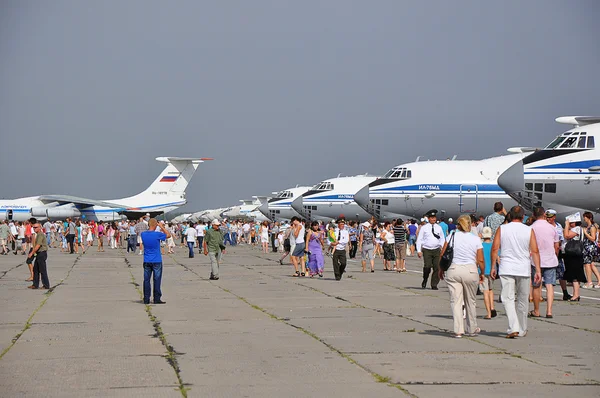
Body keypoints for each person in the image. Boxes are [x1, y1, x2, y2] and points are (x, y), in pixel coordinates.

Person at [491, 206, 541, 338]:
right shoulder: (529, 230)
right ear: (523, 216)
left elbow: (495, 248)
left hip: (506, 267)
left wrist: (492, 267)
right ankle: (522, 328)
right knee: (523, 299)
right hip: (523, 268)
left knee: (507, 298)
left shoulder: (502, 229)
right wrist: (538, 270)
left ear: (510, 216)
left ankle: (513, 326)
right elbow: (535, 251)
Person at [438, 215, 484, 338]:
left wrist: (441, 269)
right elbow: (480, 259)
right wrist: (482, 273)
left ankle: (458, 330)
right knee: (471, 301)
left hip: (453, 269)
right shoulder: (475, 239)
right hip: (470, 270)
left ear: (458, 225)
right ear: (470, 224)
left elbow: (443, 254)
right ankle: (472, 328)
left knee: (456, 301)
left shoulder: (451, 236)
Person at [529, 207, 559, 318]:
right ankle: (549, 311)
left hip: (536, 261)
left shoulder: (531, 228)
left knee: (536, 286)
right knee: (549, 285)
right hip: (550, 259)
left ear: (533, 215)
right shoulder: (552, 228)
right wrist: (555, 255)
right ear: (544, 215)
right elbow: (556, 245)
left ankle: (536, 310)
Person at [140, 219, 170, 304]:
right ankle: (156, 298)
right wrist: (161, 227)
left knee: (146, 280)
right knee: (156, 280)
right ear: (155, 225)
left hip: (147, 259)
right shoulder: (157, 234)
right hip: (156, 260)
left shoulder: (143, 234)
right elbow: (168, 235)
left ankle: (146, 298)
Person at [545, 209, 571, 300]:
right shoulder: (544, 226)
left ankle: (565, 292)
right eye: (547, 217)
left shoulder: (558, 226)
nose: (548, 219)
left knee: (561, 273)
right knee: (544, 274)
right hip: (547, 252)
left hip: (557, 253)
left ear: (554, 217)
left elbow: (561, 239)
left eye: (550, 217)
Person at [416, 210, 445, 290]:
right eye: (432, 218)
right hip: (427, 249)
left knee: (437, 267)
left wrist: (442, 247)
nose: (433, 219)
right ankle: (425, 279)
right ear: (428, 219)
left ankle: (434, 284)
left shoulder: (438, 227)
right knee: (427, 266)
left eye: (434, 217)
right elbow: (420, 239)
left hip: (436, 250)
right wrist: (419, 250)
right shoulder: (424, 228)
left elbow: (442, 238)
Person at [563, 214, 586, 302]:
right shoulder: (577, 229)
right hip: (575, 255)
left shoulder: (576, 229)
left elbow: (567, 236)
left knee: (575, 275)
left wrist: (566, 225)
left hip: (574, 255)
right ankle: (576, 294)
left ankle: (576, 295)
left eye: (571, 222)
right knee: (574, 275)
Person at [480, 227, 497, 319]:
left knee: (485, 291)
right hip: (492, 270)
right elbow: (497, 257)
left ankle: (489, 313)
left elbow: (478, 259)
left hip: (483, 271)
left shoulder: (480, 245)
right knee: (491, 290)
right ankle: (492, 307)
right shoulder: (493, 245)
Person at [27, 223, 50, 290]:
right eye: (33, 227)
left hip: (42, 253)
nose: (34, 229)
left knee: (42, 270)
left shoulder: (40, 235)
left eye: (36, 227)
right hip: (39, 254)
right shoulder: (37, 235)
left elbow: (38, 245)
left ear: (40, 227)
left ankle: (46, 285)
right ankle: (35, 284)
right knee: (35, 270)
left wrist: (32, 253)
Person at [582, 212, 600, 288]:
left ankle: (589, 282)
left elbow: (593, 238)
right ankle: (599, 281)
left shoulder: (592, 227)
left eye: (585, 217)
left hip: (590, 247)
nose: (584, 219)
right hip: (587, 246)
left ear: (589, 218)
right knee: (592, 265)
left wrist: (586, 233)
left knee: (587, 264)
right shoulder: (588, 226)